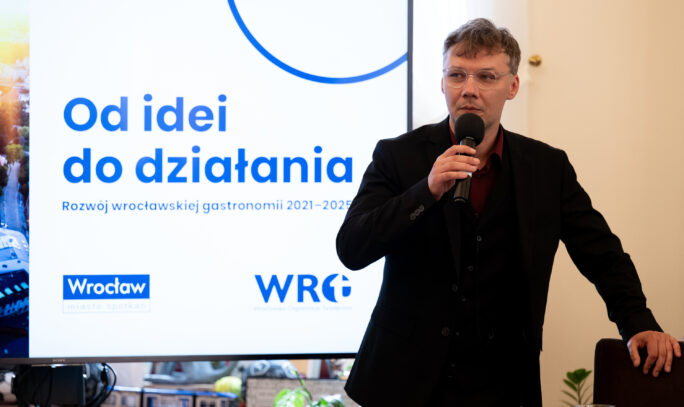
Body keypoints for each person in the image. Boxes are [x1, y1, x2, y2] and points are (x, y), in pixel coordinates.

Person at [335, 18, 681, 407]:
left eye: (486, 77)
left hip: (504, 382)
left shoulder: (546, 168)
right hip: (404, 381)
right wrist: (425, 191)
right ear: (443, 82)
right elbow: (352, 247)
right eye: (457, 75)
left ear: (512, 86)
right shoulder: (397, 156)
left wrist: (638, 322)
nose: (469, 89)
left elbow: (602, 254)